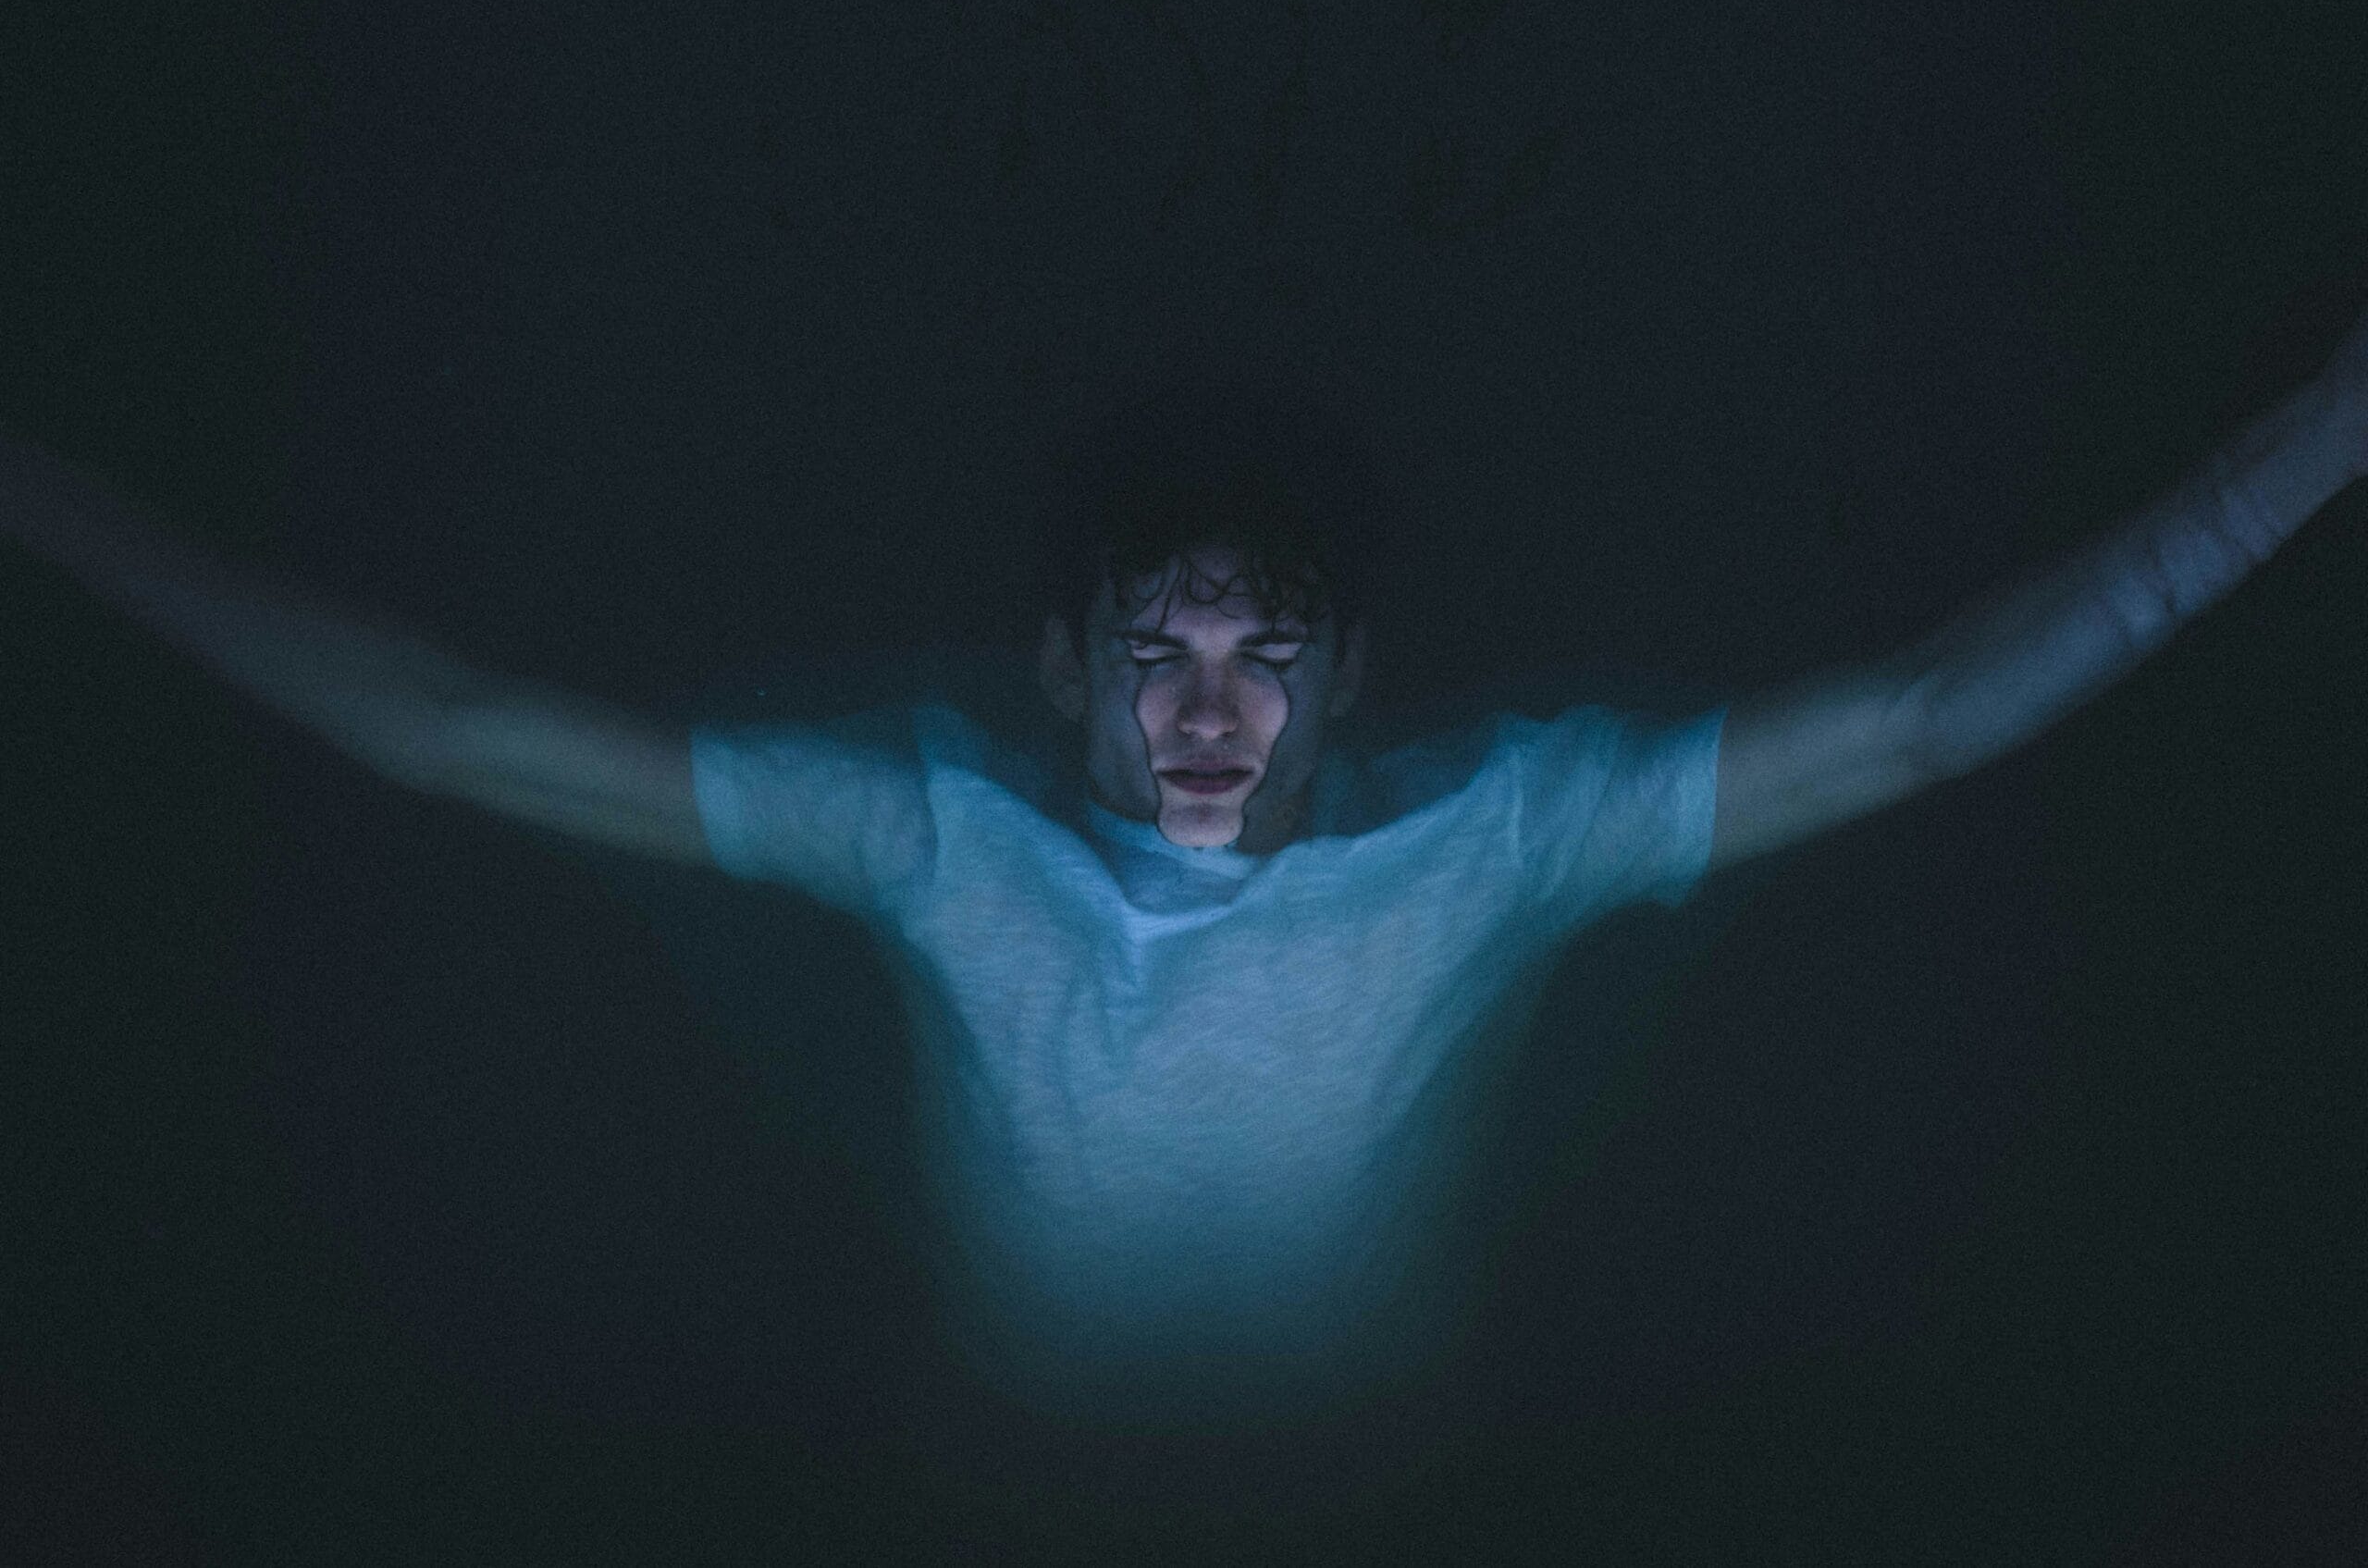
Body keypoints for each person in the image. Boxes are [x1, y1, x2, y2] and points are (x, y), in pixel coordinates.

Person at [5, 319, 2364, 1436]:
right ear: (1068, 669)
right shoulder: (932, 828)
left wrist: (2316, 437)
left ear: (1347, 672)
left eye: (1256, 653)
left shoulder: (1508, 825)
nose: (1204, 712)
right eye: (1155, 651)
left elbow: (1942, 708)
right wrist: (60, 498)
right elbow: (443, 725)